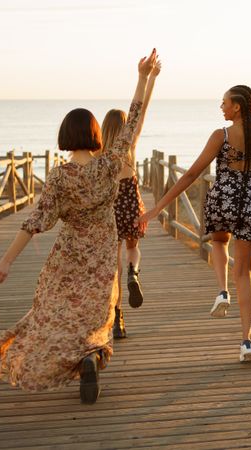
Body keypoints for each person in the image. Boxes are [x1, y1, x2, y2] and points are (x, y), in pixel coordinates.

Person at [0, 49, 159, 404]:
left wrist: (5, 262)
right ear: (96, 134)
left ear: (65, 135)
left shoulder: (59, 176)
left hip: (67, 255)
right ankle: (92, 357)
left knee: (55, 312)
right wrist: (143, 78)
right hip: (100, 255)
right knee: (95, 315)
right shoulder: (111, 163)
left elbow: (34, 222)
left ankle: (84, 360)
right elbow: (134, 121)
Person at [138, 85, 251, 362]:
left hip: (223, 199)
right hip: (250, 202)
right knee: (245, 273)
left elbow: (191, 175)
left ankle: (222, 291)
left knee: (220, 242)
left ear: (237, 106)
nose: (220, 107)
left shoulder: (221, 135)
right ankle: (247, 341)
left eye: (224, 103)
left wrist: (157, 208)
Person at [101, 60, 160, 338]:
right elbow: (142, 108)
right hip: (131, 201)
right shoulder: (131, 143)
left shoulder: (100, 151)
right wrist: (150, 79)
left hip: (109, 206)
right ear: (126, 125)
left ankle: (117, 319)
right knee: (132, 248)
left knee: (113, 263)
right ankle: (134, 271)